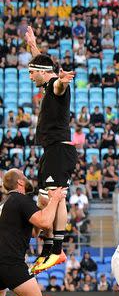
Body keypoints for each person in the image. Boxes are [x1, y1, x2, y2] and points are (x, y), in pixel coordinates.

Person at [24, 28, 78, 274]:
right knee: (45, 199)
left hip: (59, 150)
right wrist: (33, 46)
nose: (30, 76)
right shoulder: (46, 84)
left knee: (56, 197)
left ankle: (56, 249)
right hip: (52, 150)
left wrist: (62, 80)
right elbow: (43, 67)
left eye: (31, 72)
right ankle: (50, 248)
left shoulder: (55, 87)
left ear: (43, 74)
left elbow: (57, 84)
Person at [0, 171, 64, 296]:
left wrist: (42, 210)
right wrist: (54, 200)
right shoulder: (21, 199)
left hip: (3, 258)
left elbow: (34, 232)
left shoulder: (6, 203)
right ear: (20, 182)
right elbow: (44, 222)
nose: (27, 178)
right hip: (10, 261)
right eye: (24, 176)